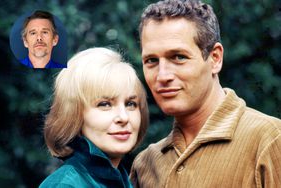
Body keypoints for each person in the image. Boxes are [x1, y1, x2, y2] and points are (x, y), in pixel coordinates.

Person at [130, 0, 281, 187]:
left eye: (178, 57)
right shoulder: (146, 164)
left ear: (215, 58)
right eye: (151, 60)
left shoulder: (269, 140)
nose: (162, 75)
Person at [39, 47, 148, 187]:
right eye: (105, 104)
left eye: (130, 104)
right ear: (73, 115)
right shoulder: (66, 184)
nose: (124, 117)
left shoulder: (123, 179)